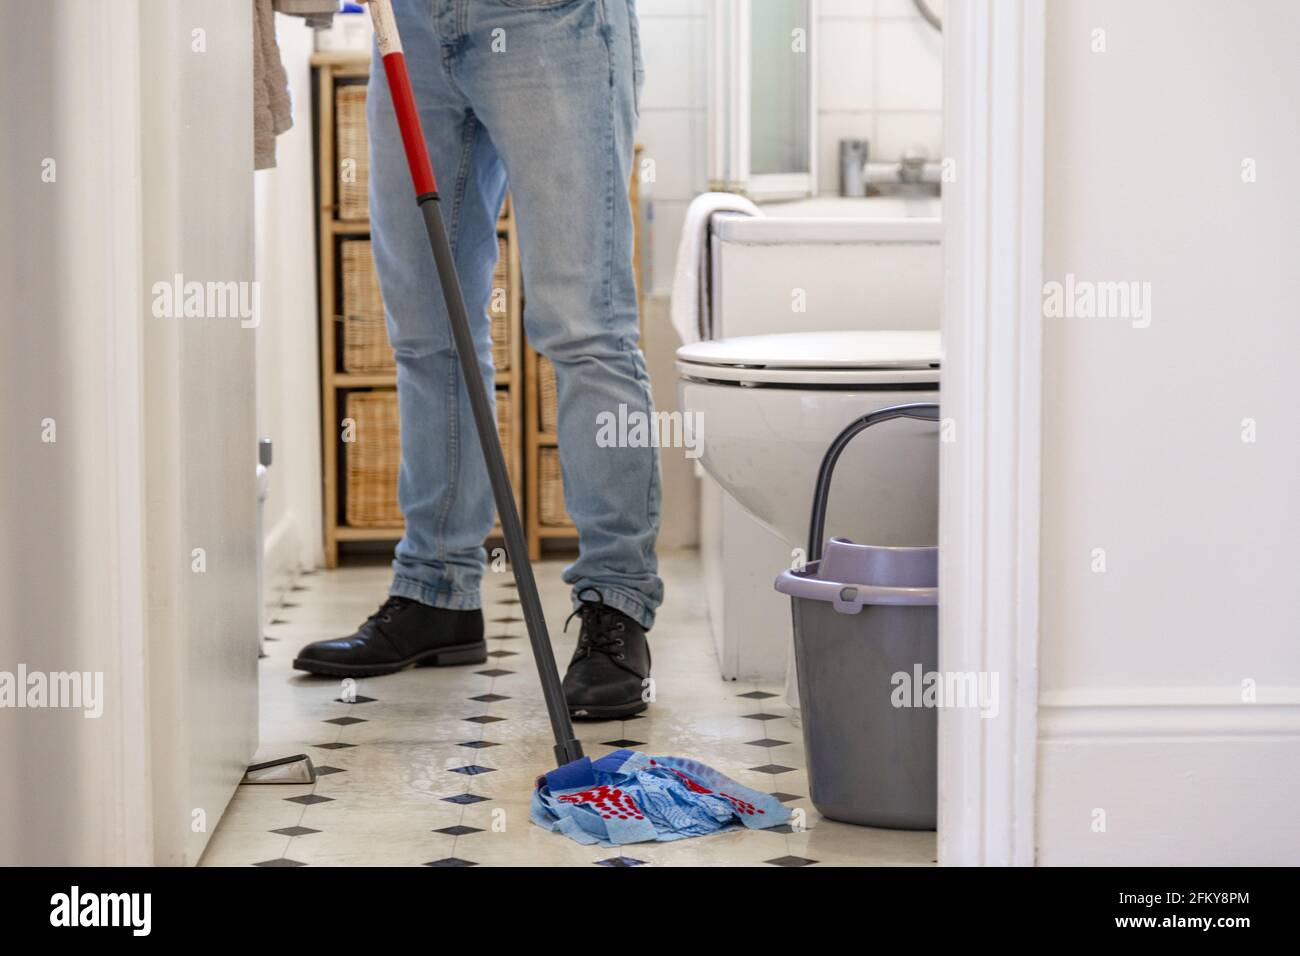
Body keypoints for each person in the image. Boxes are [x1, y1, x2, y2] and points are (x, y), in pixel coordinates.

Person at [294, 0, 660, 720]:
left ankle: (616, 608)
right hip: (412, 27)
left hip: (553, 20)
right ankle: (436, 594)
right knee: (428, 332)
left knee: (584, 327)